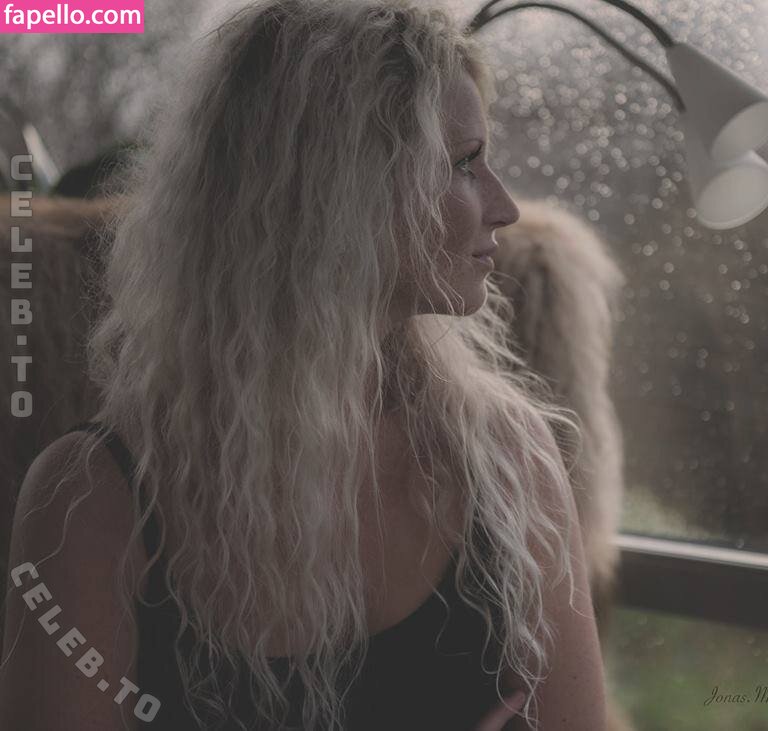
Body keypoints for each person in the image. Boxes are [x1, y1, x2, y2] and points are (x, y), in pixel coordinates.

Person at [0, 0, 607, 728]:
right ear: (338, 193)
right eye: (463, 164)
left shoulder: (508, 461)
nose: (504, 207)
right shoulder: (92, 501)